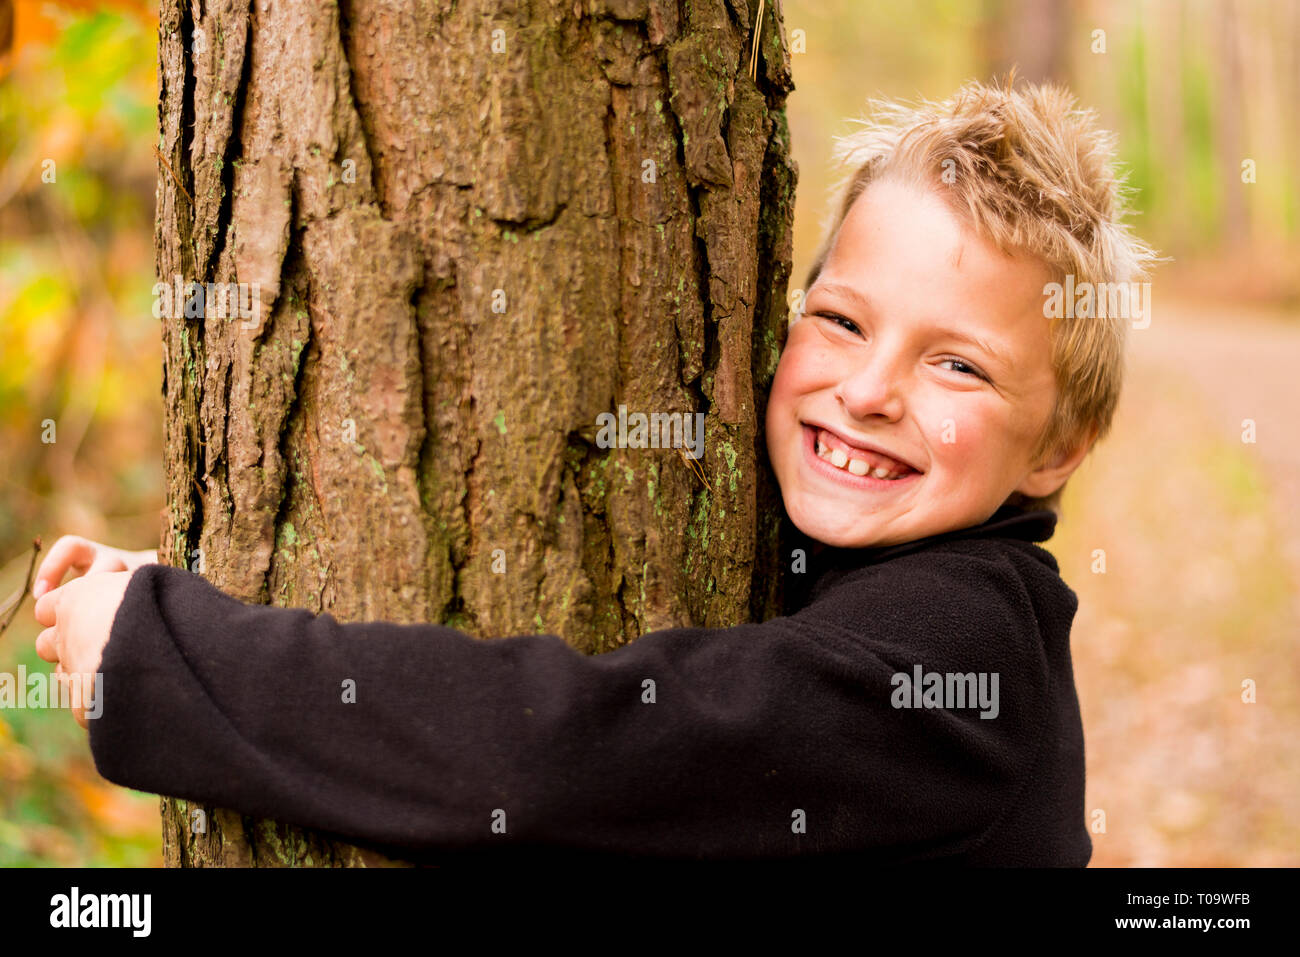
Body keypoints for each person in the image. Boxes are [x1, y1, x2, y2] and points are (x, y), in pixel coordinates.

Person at [31, 77, 1159, 863]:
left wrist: (164, 652)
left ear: (1056, 449)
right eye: (841, 321)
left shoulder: (960, 661)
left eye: (957, 364)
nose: (868, 392)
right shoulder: (853, 563)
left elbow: (569, 756)